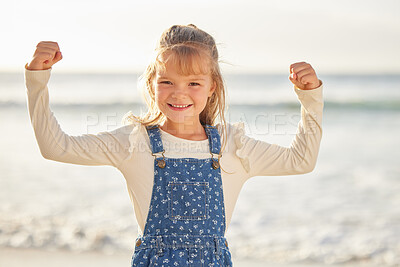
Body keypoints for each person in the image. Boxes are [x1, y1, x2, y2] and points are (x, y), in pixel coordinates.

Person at [25, 24, 324, 266]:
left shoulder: (233, 146)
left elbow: (301, 160)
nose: (179, 93)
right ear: (152, 83)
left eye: (193, 83)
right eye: (167, 81)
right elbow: (56, 147)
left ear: (212, 87)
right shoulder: (134, 141)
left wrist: (310, 100)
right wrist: (37, 80)